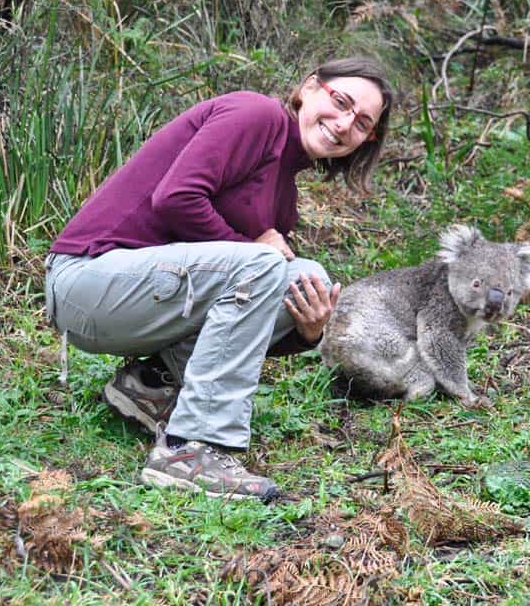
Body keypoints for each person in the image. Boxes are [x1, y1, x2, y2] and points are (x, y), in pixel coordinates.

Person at [43, 58, 392, 502]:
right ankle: (191, 450)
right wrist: (252, 250)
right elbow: (174, 198)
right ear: (309, 88)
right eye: (340, 102)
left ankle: (152, 387)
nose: (344, 124)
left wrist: (306, 333)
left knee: (305, 277)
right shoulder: (257, 115)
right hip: (85, 282)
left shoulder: (284, 195)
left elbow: (241, 312)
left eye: (363, 123)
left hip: (138, 302)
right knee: (264, 263)